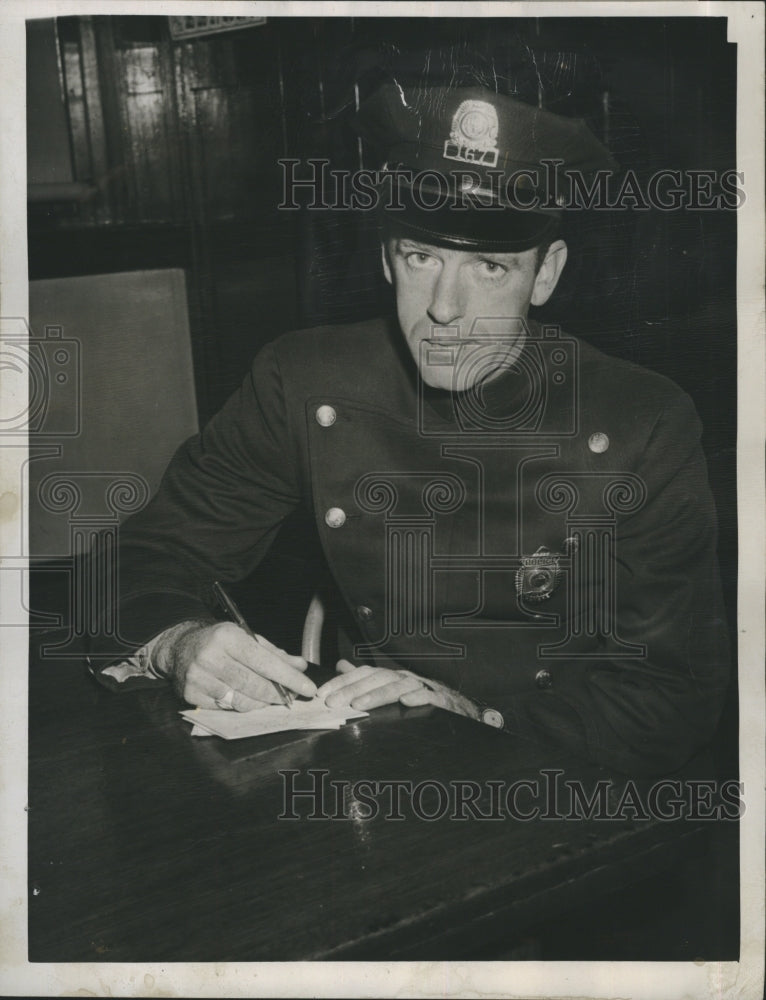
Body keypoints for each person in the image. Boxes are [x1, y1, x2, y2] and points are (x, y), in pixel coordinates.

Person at [88, 83, 730, 776]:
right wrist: (181, 643)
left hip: (544, 776)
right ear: (388, 256)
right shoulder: (305, 381)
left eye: (489, 268)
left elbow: (673, 694)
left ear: (545, 274)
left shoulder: (641, 423)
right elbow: (133, 561)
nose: (445, 310)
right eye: (423, 257)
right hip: (370, 768)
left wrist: (476, 721)